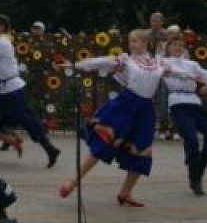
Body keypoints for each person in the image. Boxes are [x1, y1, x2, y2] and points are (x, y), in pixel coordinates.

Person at [59, 29, 184, 207]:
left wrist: (203, 77)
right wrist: (74, 65)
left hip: (145, 109)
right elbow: (100, 62)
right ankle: (73, 181)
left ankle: (125, 193)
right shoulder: (127, 59)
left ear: (145, 43)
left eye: (135, 41)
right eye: (130, 41)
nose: (131, 44)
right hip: (126, 104)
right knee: (103, 143)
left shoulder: (158, 62)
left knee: (142, 151)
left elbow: (180, 71)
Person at [0, 14, 61, 168]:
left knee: (27, 120)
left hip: (12, 90)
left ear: (1, 27)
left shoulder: (0, 44)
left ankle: (49, 148)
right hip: (1, 90)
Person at [162, 38, 207, 194]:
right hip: (177, 104)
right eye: (174, 45)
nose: (178, 47)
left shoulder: (192, 64)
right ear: (168, 48)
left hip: (195, 103)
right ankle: (195, 178)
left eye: (180, 45)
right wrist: (191, 76)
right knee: (191, 140)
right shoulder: (163, 62)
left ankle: (197, 171)